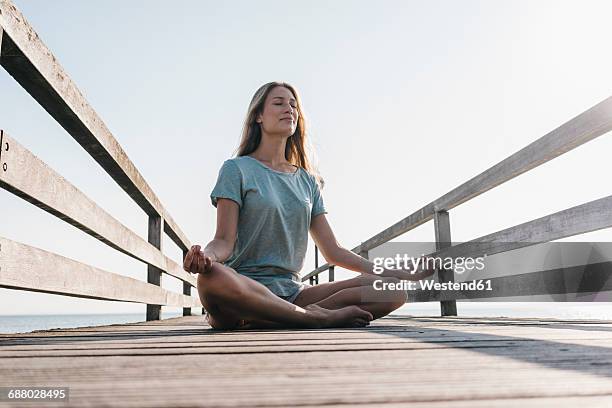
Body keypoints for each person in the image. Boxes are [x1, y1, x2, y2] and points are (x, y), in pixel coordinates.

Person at [183, 81, 434, 330]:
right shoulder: (236, 169)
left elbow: (333, 251)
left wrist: (397, 271)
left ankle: (279, 316)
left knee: (391, 291)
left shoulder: (307, 181)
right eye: (279, 103)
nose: (289, 109)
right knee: (211, 278)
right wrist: (208, 257)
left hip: (293, 293)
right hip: (242, 290)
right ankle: (311, 318)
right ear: (258, 116)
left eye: (293, 105)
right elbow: (223, 242)